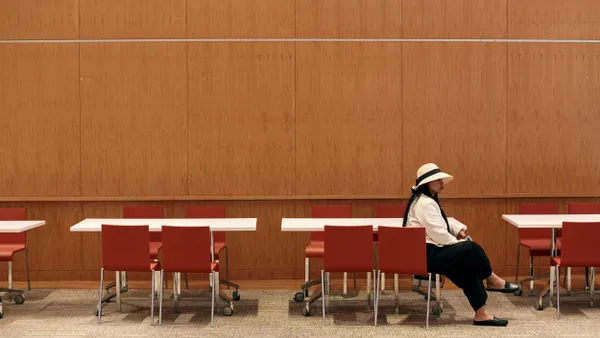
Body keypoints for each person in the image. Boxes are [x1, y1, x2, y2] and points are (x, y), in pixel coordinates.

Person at [403, 163, 519, 326]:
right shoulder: (425, 203)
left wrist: (457, 231)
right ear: (428, 183)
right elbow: (438, 233)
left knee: (467, 267)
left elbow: (439, 223)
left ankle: (481, 314)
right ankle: (492, 279)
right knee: (471, 248)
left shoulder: (425, 201)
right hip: (426, 254)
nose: (442, 183)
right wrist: (458, 245)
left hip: (429, 252)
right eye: (438, 180)